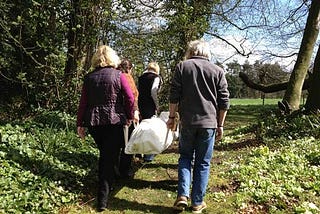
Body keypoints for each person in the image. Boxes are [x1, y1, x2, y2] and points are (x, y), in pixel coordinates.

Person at [166, 39, 230, 213]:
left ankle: (182, 196)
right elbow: (224, 102)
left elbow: (174, 96)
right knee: (203, 163)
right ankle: (197, 202)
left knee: (185, 157)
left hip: (187, 122)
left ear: (191, 51)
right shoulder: (218, 71)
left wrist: (172, 117)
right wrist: (220, 125)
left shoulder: (182, 67)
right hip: (209, 124)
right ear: (207, 53)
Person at [76, 45, 134, 212]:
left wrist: (80, 123)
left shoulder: (89, 77)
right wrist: (130, 115)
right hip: (114, 121)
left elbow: (83, 103)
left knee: (106, 154)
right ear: (112, 58)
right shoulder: (119, 75)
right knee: (108, 158)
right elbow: (129, 98)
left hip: (94, 122)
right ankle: (102, 199)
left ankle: (109, 183)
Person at [117, 58, 140, 178]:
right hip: (127, 115)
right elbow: (132, 97)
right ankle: (124, 170)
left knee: (116, 145)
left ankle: (115, 169)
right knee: (127, 143)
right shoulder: (127, 78)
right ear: (129, 68)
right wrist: (134, 112)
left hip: (115, 115)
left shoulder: (115, 75)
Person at [137, 61, 162, 162]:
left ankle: (138, 152)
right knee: (150, 129)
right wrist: (157, 105)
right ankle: (149, 155)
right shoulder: (156, 78)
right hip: (150, 105)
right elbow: (153, 91)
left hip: (140, 104)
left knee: (140, 128)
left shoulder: (141, 77)